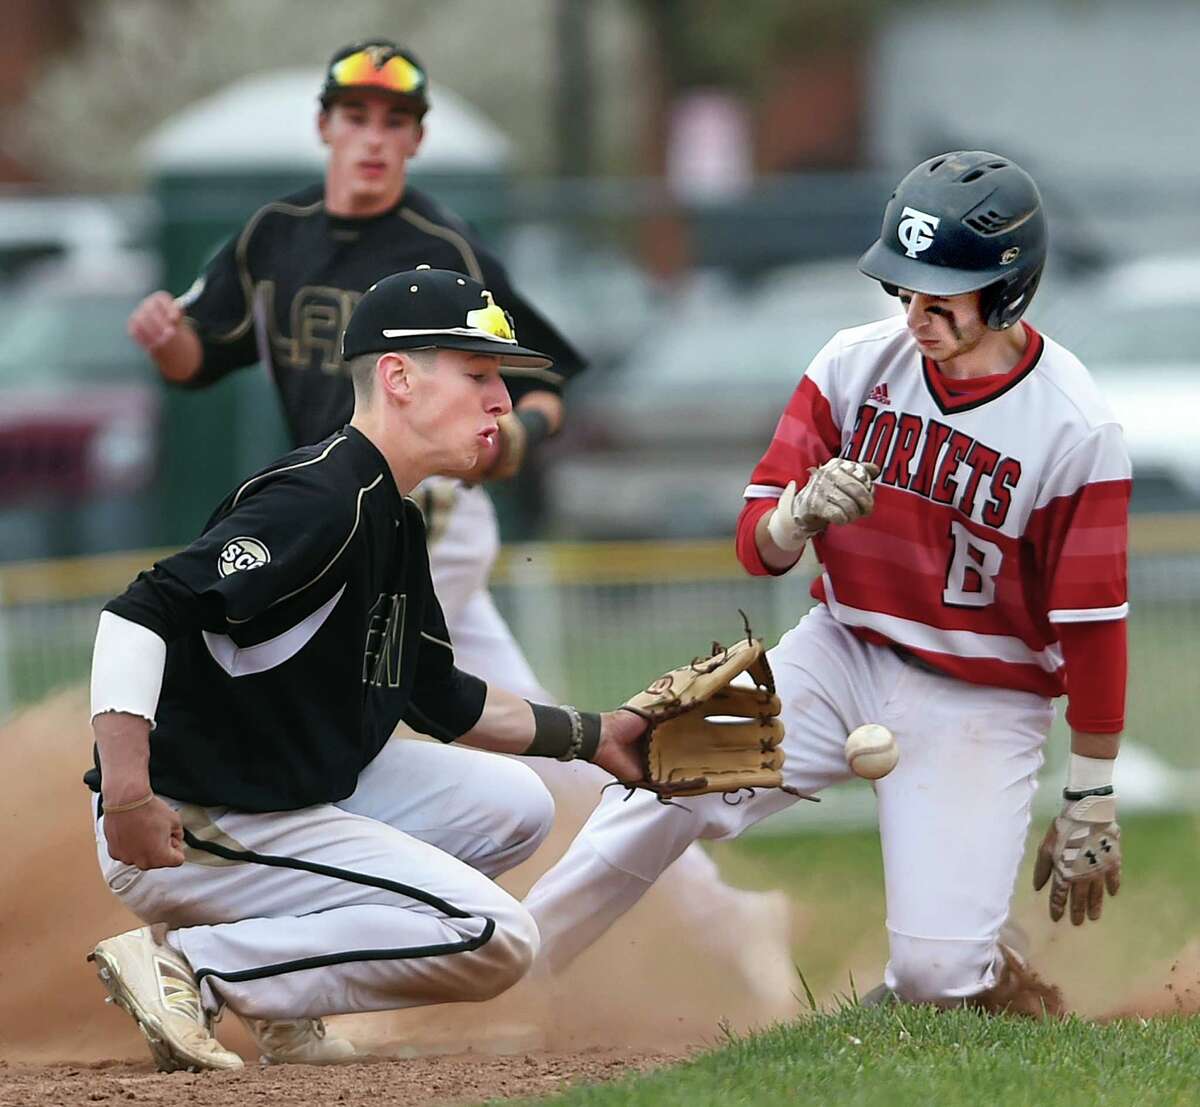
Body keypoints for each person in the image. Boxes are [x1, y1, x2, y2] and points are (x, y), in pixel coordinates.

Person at [126, 37, 792, 1052]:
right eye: (357, 116)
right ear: (326, 128)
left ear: (418, 140)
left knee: (417, 743)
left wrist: (512, 432)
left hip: (424, 530)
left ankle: (283, 961)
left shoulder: (440, 243)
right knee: (493, 753)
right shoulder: (274, 236)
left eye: (396, 122)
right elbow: (198, 356)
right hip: (338, 523)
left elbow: (548, 378)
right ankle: (297, 959)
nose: (375, 138)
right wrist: (168, 341)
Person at [524, 151, 1129, 1013]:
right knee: (661, 776)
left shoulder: (1075, 425)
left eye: (939, 294)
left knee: (935, 981)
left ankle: (969, 956)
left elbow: (1093, 620)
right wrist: (797, 515)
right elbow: (756, 545)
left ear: (1008, 290)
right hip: (839, 651)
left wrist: (1093, 787)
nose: (914, 313)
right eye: (904, 287)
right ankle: (509, 967)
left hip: (984, 699)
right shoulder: (854, 363)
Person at [85, 269, 648, 1074]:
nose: (501, 400)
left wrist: (598, 736)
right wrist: (130, 794)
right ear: (398, 376)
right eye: (479, 373)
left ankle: (286, 995)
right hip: (194, 818)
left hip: (281, 792)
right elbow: (139, 612)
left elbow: (443, 698)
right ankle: (197, 967)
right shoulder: (322, 497)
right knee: (492, 935)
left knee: (517, 807)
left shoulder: (389, 510)